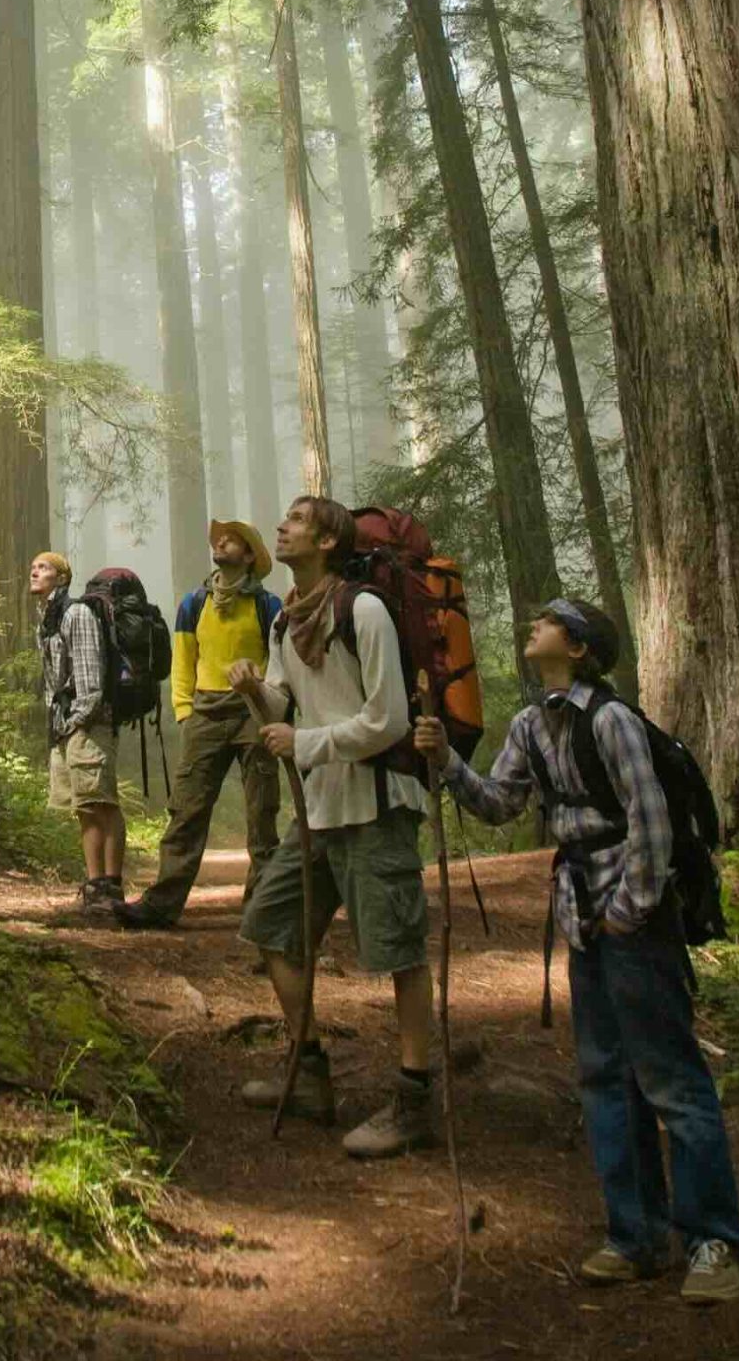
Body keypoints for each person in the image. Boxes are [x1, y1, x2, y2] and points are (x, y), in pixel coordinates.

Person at [414, 598, 739, 1304]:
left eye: (544, 623)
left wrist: (629, 911)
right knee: (605, 1077)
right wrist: (444, 760)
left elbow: (650, 821)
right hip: (582, 922)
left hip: (631, 923)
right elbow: (498, 804)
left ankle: (718, 1242)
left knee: (668, 1078)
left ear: (575, 647)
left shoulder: (611, 720)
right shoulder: (531, 725)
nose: (529, 628)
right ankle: (633, 1238)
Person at [236, 493, 435, 1158]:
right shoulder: (283, 622)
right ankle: (309, 1071)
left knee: (398, 952)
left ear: (326, 542)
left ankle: (414, 1100)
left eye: (292, 521)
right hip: (318, 809)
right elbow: (279, 704)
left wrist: (307, 743)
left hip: (377, 804)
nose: (279, 527)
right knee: (270, 925)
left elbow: (389, 721)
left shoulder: (364, 609)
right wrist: (249, 692)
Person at [113, 521, 280, 931]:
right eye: (219, 539)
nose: (221, 542)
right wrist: (185, 712)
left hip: (254, 710)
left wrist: (271, 708)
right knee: (186, 810)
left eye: (232, 540)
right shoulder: (194, 602)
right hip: (205, 710)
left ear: (248, 556)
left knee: (262, 814)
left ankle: (262, 912)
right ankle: (161, 905)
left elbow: (280, 660)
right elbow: (184, 659)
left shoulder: (268, 605)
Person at [30, 549, 125, 922]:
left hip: (89, 723)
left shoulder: (76, 614)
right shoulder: (48, 619)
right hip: (67, 725)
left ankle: (110, 887)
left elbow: (90, 680)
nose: (34, 572)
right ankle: (94, 884)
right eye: (33, 567)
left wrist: (77, 721)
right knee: (84, 808)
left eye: (43, 567)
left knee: (101, 803)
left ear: (62, 577)